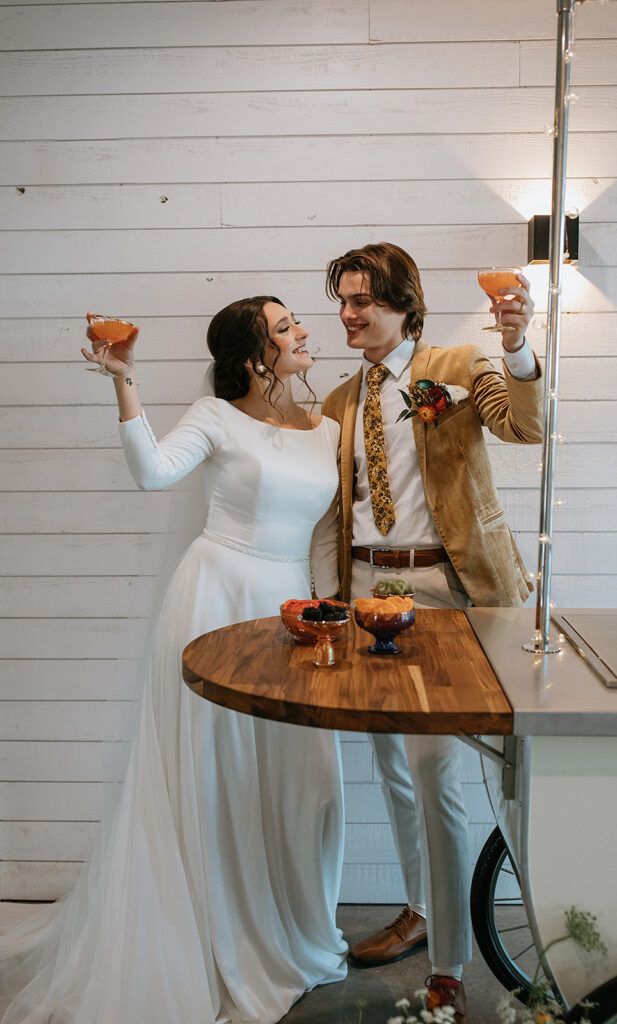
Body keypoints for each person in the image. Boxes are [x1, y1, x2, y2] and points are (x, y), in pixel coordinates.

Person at [0, 297, 347, 1024]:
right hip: (216, 596)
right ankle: (211, 930)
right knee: (212, 770)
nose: (304, 330)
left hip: (292, 609)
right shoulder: (214, 416)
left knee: (304, 776)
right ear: (253, 354)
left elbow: (323, 539)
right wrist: (124, 381)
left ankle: (288, 931)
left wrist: (331, 613)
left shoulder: (329, 430)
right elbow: (154, 473)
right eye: (285, 328)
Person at [321, 243, 544, 1019]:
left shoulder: (456, 364)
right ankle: (419, 910)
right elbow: (332, 510)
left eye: (363, 301)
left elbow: (522, 426)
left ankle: (448, 963)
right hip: (361, 596)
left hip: (447, 596)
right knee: (390, 767)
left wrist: (516, 345)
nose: (349, 315)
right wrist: (327, 604)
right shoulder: (337, 401)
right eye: (342, 301)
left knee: (436, 776)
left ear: (403, 303)